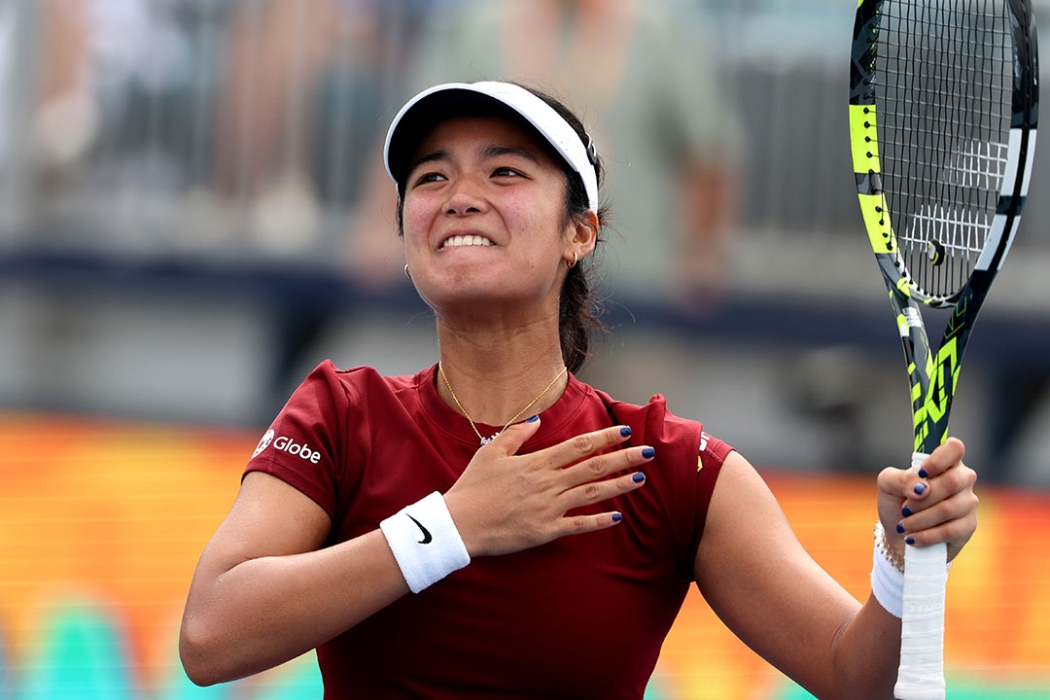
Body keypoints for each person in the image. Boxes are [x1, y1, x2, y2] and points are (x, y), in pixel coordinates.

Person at [179, 81, 979, 699]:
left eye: (504, 171)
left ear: (579, 231)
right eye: (430, 176)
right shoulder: (338, 416)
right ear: (406, 236)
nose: (460, 193)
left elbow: (854, 677)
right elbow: (211, 636)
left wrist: (903, 567)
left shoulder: (676, 469)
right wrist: (454, 525)